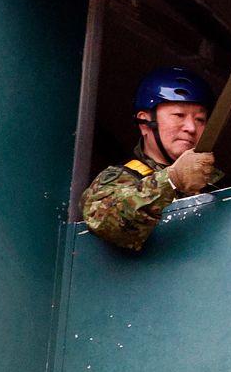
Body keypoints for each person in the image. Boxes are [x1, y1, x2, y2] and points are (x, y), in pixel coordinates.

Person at [80, 66, 220, 251]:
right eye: (179, 115)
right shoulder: (121, 176)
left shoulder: (212, 185)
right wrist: (171, 180)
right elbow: (103, 220)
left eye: (200, 119)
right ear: (145, 123)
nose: (191, 128)